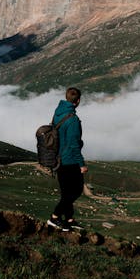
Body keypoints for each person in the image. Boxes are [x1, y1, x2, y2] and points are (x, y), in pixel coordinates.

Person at [47, 86, 88, 231]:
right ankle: (54, 217)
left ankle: (69, 220)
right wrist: (81, 164)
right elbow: (74, 145)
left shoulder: (58, 113)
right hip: (69, 161)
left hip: (58, 160)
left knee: (66, 192)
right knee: (75, 191)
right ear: (77, 101)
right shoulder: (73, 120)